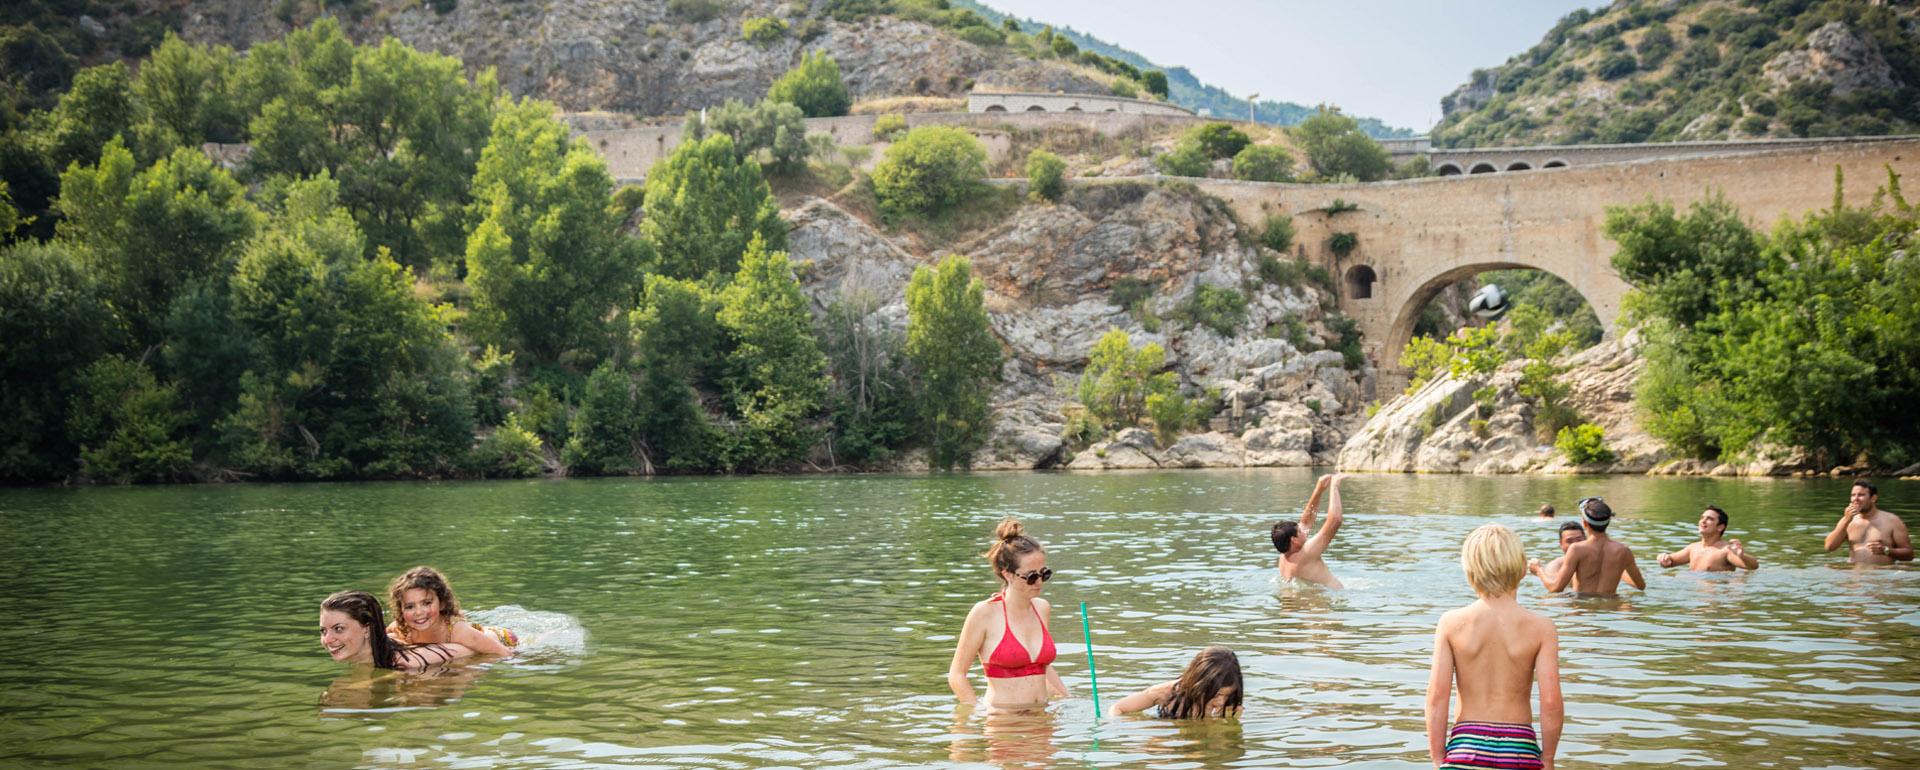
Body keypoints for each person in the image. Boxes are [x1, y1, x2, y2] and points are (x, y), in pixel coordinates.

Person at [1425, 525, 1562, 770]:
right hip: (1519, 749)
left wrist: (1437, 758)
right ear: (1522, 568)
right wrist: (1548, 758)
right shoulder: (1542, 627)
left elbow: (1437, 696)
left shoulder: (1451, 623)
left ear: (1469, 570)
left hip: (1465, 749)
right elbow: (1550, 701)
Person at [947, 519, 1068, 710]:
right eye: (1031, 577)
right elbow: (957, 675)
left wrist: (1066, 696)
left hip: (1043, 718)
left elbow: (1039, 665)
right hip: (1003, 722)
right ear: (1008, 574)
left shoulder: (1042, 608)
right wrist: (975, 712)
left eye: (1044, 574)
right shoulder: (984, 613)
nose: (1039, 582)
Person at [320, 590, 474, 671]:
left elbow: (470, 650)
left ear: (366, 629)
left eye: (338, 629)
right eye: (323, 631)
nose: (327, 640)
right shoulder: (382, 647)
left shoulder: (409, 663)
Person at [386, 566, 517, 657]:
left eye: (427, 603)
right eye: (410, 606)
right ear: (401, 610)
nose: (419, 612)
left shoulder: (457, 631)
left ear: (442, 604)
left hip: (504, 638)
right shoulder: (401, 627)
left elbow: (505, 653)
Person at [1536, 497, 1644, 596]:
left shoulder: (1576, 549)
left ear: (1585, 523)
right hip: (1610, 610)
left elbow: (1556, 588)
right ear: (1608, 522)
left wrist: (1538, 570)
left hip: (1582, 610)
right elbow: (1641, 586)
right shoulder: (1624, 550)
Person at [1109, 646, 1243, 718]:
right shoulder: (1166, 693)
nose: (1221, 701)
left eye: (1227, 694)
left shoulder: (1231, 704)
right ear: (1199, 683)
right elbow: (1118, 708)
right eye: (1217, 695)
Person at [1272, 473, 1346, 589]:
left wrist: (1319, 488)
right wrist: (1334, 486)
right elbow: (1335, 520)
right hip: (1329, 599)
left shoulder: (1284, 557)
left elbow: (1306, 522)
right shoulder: (1305, 554)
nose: (1303, 530)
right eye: (1300, 531)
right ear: (1294, 540)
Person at [1824, 480, 1913, 565]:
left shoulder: (1892, 521)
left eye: (1861, 495)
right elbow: (1829, 547)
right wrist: (1846, 519)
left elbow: (1909, 555)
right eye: (1853, 495)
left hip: (1881, 576)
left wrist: (1886, 550)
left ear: (1873, 498)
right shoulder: (1847, 521)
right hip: (1854, 576)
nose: (1856, 499)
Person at [1657, 506, 1758, 572]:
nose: (1703, 521)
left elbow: (1753, 566)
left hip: (1714, 598)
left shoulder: (1725, 550)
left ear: (1720, 527)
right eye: (1702, 517)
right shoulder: (1693, 548)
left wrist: (1742, 556)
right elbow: (1669, 562)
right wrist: (1662, 557)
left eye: (1709, 519)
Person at [1526, 522, 1585, 592]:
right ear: (1561, 544)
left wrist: (1538, 570)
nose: (1575, 545)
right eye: (1569, 541)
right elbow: (1554, 589)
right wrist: (1539, 570)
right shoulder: (1556, 565)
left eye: (1579, 540)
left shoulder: (1595, 559)